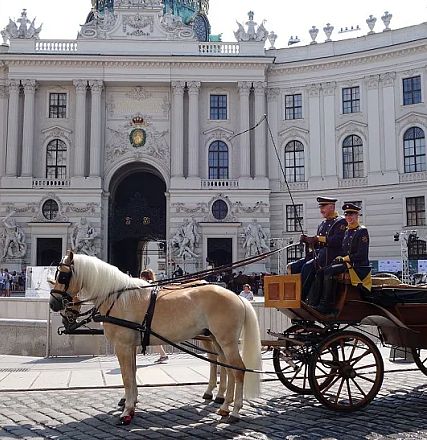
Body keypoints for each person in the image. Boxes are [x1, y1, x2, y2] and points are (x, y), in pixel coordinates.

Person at [308, 203, 371, 315]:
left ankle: (326, 305)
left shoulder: (362, 231)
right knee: (321, 271)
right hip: (348, 264)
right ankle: (313, 302)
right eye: (347, 215)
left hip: (358, 266)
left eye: (351, 215)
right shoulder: (347, 231)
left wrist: (344, 259)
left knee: (329, 271)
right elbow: (343, 250)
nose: (349, 218)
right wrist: (339, 257)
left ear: (357, 216)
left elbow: (361, 254)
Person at [288, 197, 347, 300]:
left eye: (324, 207)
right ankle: (291, 294)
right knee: (292, 267)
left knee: (307, 266)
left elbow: (338, 241)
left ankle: (301, 298)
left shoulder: (341, 222)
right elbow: (318, 245)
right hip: (320, 255)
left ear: (332, 207)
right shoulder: (322, 224)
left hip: (332, 256)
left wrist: (317, 238)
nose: (321, 210)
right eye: (321, 207)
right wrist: (308, 240)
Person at [140, 269, 168, 364]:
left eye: (141, 277)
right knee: (152, 336)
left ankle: (163, 355)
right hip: (155, 312)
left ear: (144, 277)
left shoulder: (147, 285)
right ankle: (163, 355)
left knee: (151, 336)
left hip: (151, 313)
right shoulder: (154, 284)